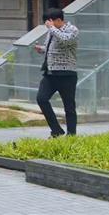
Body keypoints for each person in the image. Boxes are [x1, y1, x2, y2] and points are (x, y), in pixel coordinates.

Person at [33, 7, 80, 137]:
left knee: (69, 107)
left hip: (66, 75)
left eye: (50, 22)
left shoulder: (72, 30)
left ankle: (71, 135)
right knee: (41, 99)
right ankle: (56, 130)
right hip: (50, 73)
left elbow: (65, 41)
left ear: (59, 20)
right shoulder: (52, 32)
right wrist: (42, 49)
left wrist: (52, 29)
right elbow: (53, 47)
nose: (48, 26)